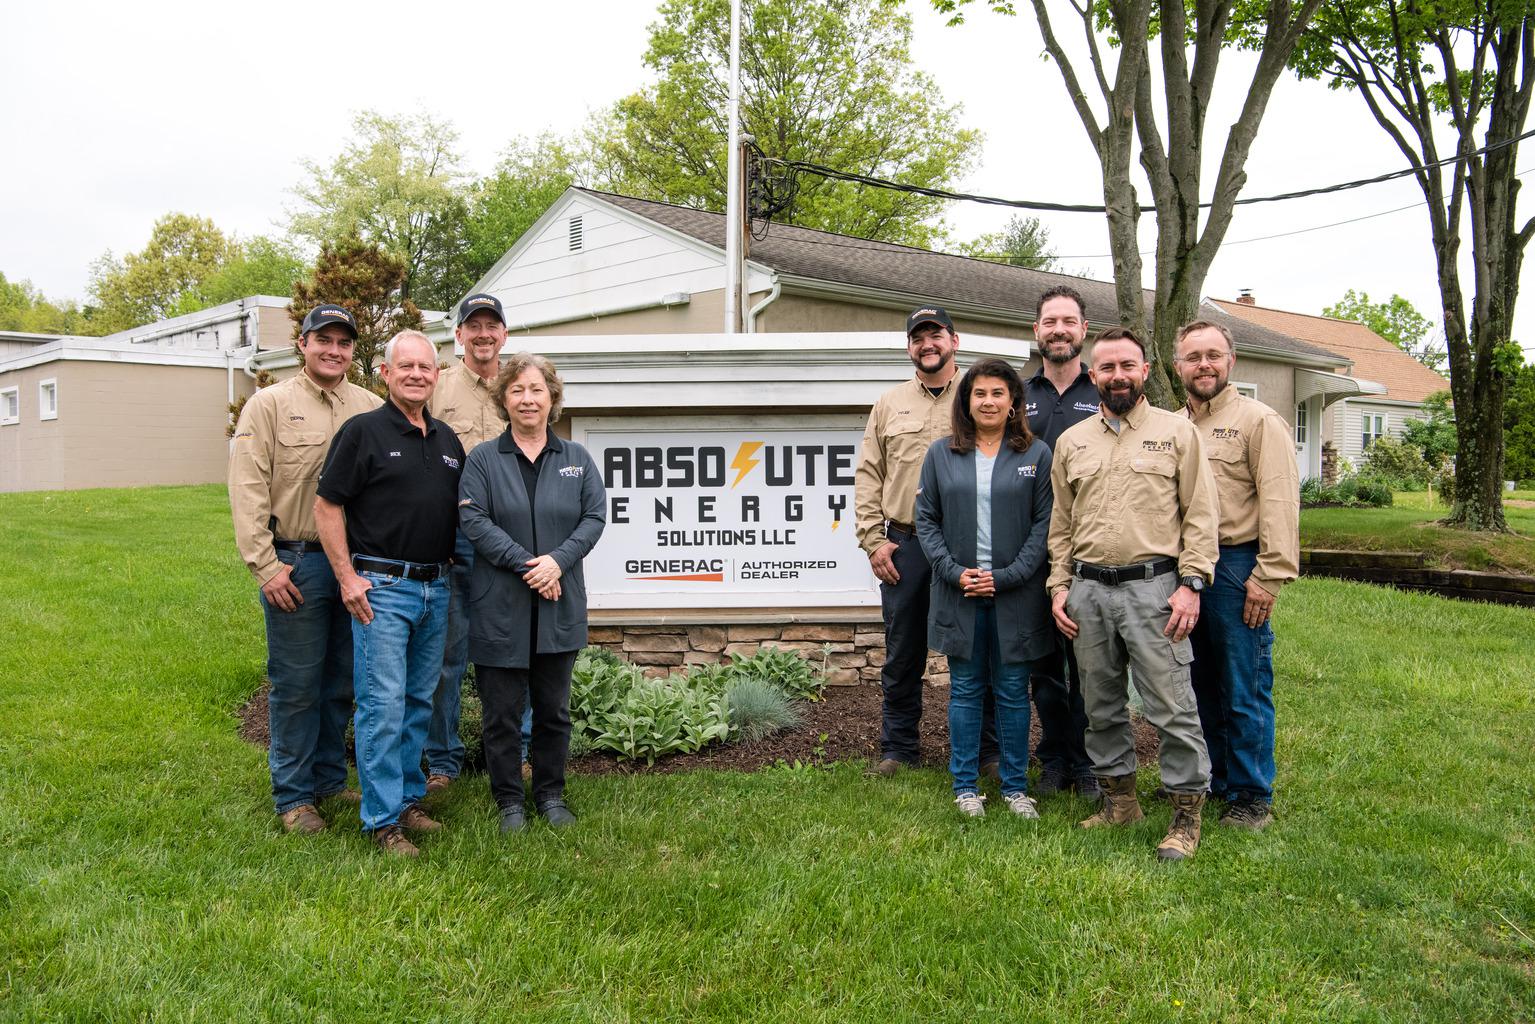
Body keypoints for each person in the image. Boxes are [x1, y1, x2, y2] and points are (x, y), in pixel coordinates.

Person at [1046, 327, 1220, 861]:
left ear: (1144, 371)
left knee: (1171, 705)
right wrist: (1059, 586)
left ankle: (1186, 815)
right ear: (1092, 374)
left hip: (1156, 592)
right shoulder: (1072, 442)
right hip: (1089, 593)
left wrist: (1191, 585)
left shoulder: (1177, 433)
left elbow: (1201, 516)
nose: (1117, 375)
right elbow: (1061, 525)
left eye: (1127, 366)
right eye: (1107, 367)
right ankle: (1120, 802)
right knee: (1100, 706)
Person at [228, 303, 381, 834]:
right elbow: (247, 486)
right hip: (296, 564)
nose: (334, 351)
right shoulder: (269, 405)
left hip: (355, 567)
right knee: (296, 685)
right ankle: (294, 796)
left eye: (343, 343)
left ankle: (329, 780)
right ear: (303, 344)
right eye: (324, 340)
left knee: (341, 682)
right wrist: (265, 566)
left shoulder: (369, 407)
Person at [314, 331, 465, 857]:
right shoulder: (363, 432)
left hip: (435, 588)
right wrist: (346, 577)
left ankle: (406, 800)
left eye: (426, 367)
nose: (417, 374)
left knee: (418, 702)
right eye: (406, 366)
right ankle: (381, 821)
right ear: (385, 373)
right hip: (382, 588)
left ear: (437, 375)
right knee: (382, 705)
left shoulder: (447, 440)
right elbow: (327, 505)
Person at [458, 352, 605, 834]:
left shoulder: (576, 459)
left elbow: (594, 517)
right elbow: (474, 520)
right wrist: (531, 565)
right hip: (499, 606)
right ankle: (508, 801)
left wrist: (558, 561)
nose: (527, 399)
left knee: (553, 711)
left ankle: (550, 794)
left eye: (537, 389)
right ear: (504, 399)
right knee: (501, 714)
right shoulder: (483, 460)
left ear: (552, 398)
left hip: (559, 605)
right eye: (517, 390)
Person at [855, 305, 998, 778]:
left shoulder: (981, 397)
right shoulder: (889, 404)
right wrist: (873, 539)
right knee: (903, 652)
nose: (927, 344)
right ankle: (898, 749)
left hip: (970, 545)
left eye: (936, 335)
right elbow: (868, 474)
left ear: (955, 341)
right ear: (909, 348)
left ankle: (988, 752)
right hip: (907, 545)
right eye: (918, 338)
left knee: (978, 650)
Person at [916, 358, 1055, 819]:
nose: (989, 401)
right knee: (965, 690)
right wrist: (954, 572)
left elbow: (1045, 525)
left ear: (1013, 402)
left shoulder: (1036, 455)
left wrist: (1009, 575)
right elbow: (926, 521)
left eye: (998, 393)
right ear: (967, 401)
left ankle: (1015, 788)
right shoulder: (941, 454)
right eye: (980, 393)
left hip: (1016, 594)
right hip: (960, 592)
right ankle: (965, 787)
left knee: (1013, 690)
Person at [1175, 320, 1299, 831]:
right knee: (1199, 681)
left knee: (1243, 683)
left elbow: (1280, 498)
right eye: (1193, 357)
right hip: (1186, 568)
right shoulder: (1172, 426)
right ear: (1178, 366)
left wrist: (1270, 575)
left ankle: (1251, 794)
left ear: (1231, 362)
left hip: (1237, 565)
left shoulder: (1258, 421)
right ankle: (1215, 780)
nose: (1203, 365)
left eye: (1213, 355)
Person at [423, 292, 521, 795]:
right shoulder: (436, 388)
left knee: (515, 649)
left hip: (510, 540)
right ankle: (443, 761)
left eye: (492, 325)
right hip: (453, 540)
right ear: (458, 334)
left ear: (503, 333)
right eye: (473, 326)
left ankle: (517, 753)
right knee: (447, 655)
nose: (483, 334)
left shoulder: (519, 386)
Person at [1022, 285, 1102, 798]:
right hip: (1031, 548)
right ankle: (1053, 758)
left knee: (1090, 663)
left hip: (1089, 547)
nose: (1059, 330)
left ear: (1083, 330)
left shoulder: (1105, 392)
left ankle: (1089, 762)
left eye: (1068, 321)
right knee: (1045, 666)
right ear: (1037, 330)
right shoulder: (1017, 395)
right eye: (1050, 322)